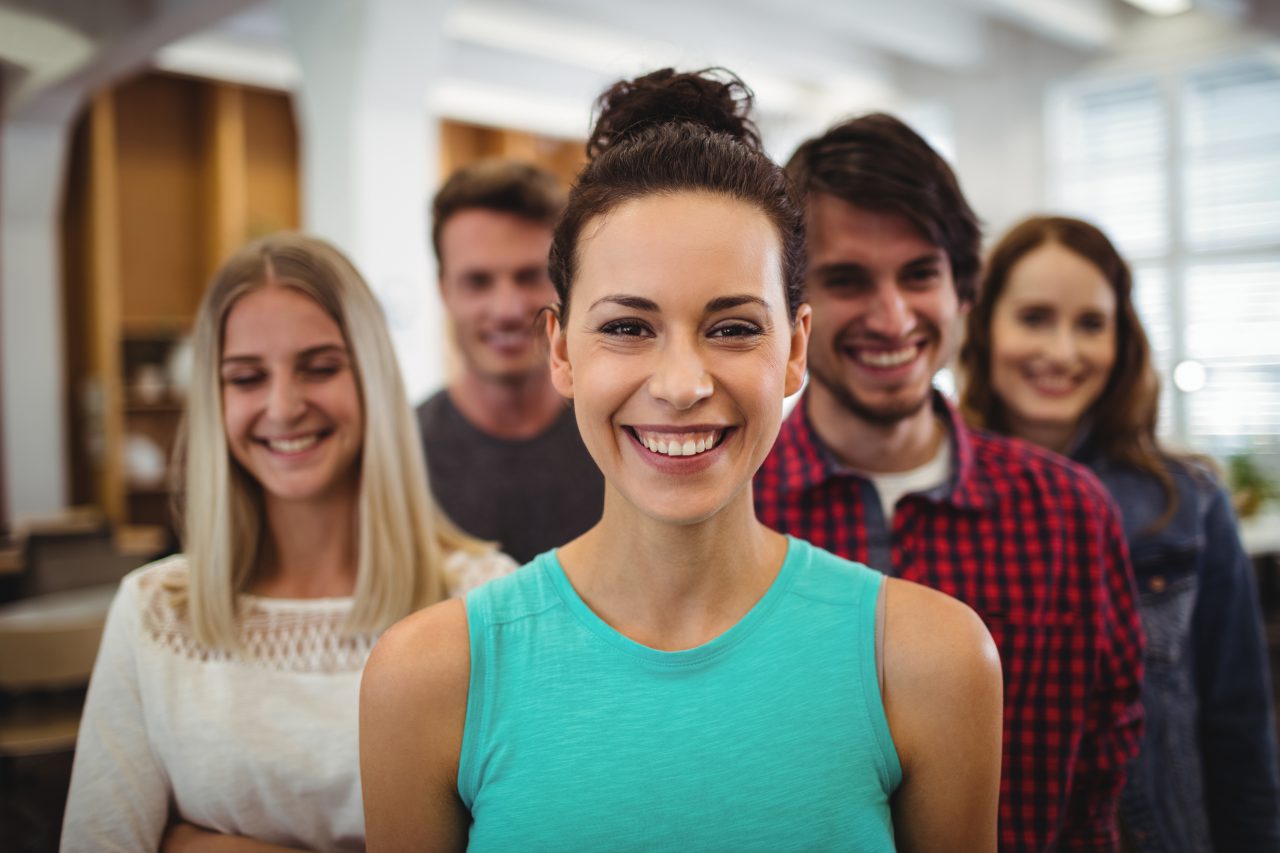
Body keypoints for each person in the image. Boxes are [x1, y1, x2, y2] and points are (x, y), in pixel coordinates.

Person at [361, 69, 1003, 851]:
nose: (682, 385)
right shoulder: (430, 676)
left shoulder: (932, 659)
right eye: (629, 328)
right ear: (560, 350)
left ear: (795, 349)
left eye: (732, 328)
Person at [753, 115, 1144, 850]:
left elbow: (1100, 777)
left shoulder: (1067, 512)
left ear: (963, 290)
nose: (893, 316)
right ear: (791, 309)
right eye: (847, 279)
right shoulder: (735, 502)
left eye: (919, 274)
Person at [61, 234, 515, 852]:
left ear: (373, 379)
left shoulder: (483, 603)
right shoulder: (152, 612)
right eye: (246, 378)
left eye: (321, 368)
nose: (283, 406)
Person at [959, 214, 1280, 852]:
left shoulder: (1191, 502)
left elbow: (1239, 731)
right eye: (1034, 318)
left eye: (1090, 324)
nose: (1062, 351)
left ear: (1122, 340)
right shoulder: (935, 499)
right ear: (985, 327)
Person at [417, 159, 604, 563]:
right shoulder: (399, 457)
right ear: (443, 290)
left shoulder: (621, 441)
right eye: (478, 282)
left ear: (565, 284)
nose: (506, 308)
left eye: (528, 276)